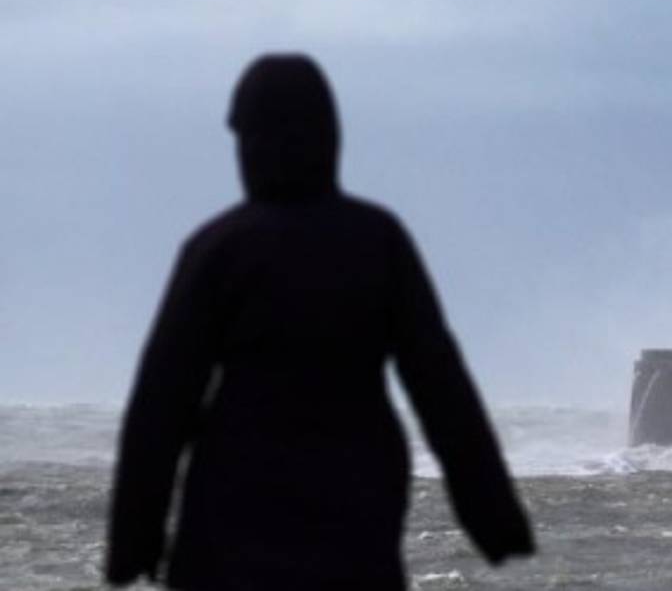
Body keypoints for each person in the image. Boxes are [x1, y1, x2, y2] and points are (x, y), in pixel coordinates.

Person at [105, 54, 534, 589]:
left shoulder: (218, 250)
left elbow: (160, 406)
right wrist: (494, 521)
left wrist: (133, 542)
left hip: (233, 522)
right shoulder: (377, 242)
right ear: (330, 138)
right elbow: (442, 391)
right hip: (353, 519)